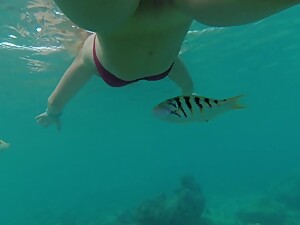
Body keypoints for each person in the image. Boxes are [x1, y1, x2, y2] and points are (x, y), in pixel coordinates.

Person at [35, 0, 299, 130]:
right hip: (178, 10)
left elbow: (59, 95)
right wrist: (188, 94)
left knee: (101, 17)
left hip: (115, 20)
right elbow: (184, 79)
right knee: (212, 11)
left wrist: (53, 112)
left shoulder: (88, 54)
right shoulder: (170, 64)